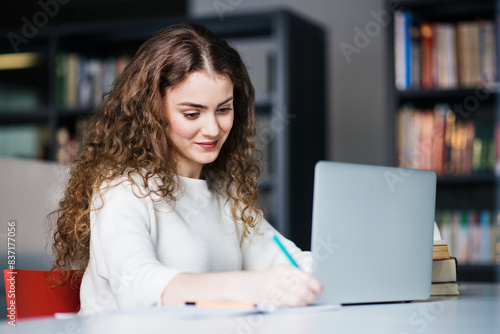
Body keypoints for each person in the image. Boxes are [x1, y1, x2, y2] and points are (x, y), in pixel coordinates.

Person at [51, 23, 322, 314]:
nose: (212, 129)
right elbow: (137, 284)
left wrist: (323, 271)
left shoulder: (224, 193)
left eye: (223, 109)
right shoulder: (122, 189)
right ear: (152, 110)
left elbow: (290, 264)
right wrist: (251, 286)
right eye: (192, 113)